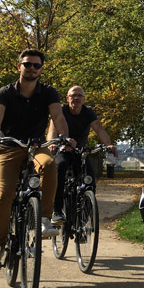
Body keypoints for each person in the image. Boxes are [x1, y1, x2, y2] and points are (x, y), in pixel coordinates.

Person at [0, 49, 73, 275]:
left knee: (50, 165)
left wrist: (64, 136)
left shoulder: (49, 92)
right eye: (27, 64)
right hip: (8, 147)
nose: (31, 68)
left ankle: (44, 219)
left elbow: (58, 117)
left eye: (36, 65)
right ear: (19, 67)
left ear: (41, 69)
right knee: (3, 196)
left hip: (36, 146)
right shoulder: (5, 93)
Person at [47, 85, 118, 224]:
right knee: (60, 167)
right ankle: (57, 210)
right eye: (73, 95)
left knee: (89, 180)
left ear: (84, 99)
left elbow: (99, 129)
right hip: (63, 150)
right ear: (67, 98)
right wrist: (52, 143)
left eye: (80, 96)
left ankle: (83, 218)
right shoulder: (61, 110)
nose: (76, 98)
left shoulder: (88, 112)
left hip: (80, 152)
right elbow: (52, 129)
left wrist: (108, 144)